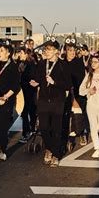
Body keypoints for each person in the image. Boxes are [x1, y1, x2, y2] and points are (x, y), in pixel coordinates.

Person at [30, 39, 72, 167]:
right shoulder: (42, 63)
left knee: (56, 129)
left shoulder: (63, 65)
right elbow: (38, 78)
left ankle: (55, 155)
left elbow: (68, 85)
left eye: (49, 50)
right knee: (43, 128)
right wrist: (36, 82)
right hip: (43, 100)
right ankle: (49, 148)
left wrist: (55, 82)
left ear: (56, 52)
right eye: (45, 50)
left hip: (57, 101)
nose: (46, 52)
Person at [0, 41, 20, 161]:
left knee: (3, 126)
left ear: (8, 53)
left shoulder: (13, 67)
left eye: (2, 50)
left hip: (6, 100)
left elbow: (16, 86)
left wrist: (5, 97)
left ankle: (3, 149)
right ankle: (0, 140)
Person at [16, 48, 38, 143]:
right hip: (23, 92)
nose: (19, 54)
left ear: (26, 54)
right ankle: (31, 129)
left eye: (21, 52)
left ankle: (27, 132)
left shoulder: (31, 65)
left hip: (30, 92)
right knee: (28, 112)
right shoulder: (22, 64)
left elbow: (31, 78)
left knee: (27, 112)